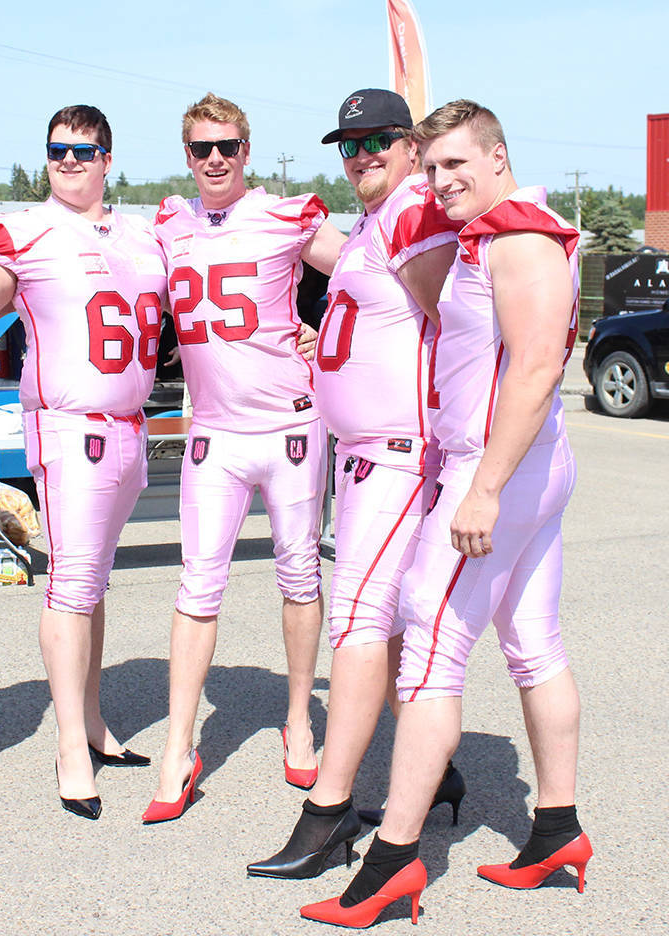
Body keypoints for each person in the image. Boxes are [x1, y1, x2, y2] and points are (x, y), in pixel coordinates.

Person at [300, 100, 590, 928]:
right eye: (432, 168)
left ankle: (392, 861)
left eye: (459, 163)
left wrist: (486, 486)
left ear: (499, 156)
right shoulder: (491, 234)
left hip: (497, 464)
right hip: (517, 461)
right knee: (533, 643)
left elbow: (535, 370)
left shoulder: (523, 240)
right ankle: (557, 828)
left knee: (428, 642)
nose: (443, 180)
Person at [247, 89, 462, 880]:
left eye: (379, 140)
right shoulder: (376, 221)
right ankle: (433, 770)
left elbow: (462, 326)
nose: (362, 154)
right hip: (365, 453)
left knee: (359, 625)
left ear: (410, 145)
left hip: (400, 454)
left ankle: (329, 810)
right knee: (395, 628)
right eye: (350, 144)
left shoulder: (413, 211)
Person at [143, 93, 346, 823]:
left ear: (247, 150)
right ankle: (178, 743)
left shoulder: (287, 214)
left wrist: (325, 337)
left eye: (227, 145)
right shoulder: (169, 221)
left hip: (291, 424)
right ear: (187, 156)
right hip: (215, 433)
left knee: (298, 572)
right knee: (199, 584)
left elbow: (366, 277)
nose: (216, 159)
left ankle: (298, 715)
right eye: (202, 148)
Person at [0, 105, 168, 821]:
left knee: (96, 582)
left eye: (83, 150)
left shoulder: (145, 233)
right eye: (57, 150)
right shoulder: (24, 229)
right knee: (72, 583)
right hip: (69, 428)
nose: (68, 161)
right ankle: (68, 748)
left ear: (107, 158)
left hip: (130, 427)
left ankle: (92, 722)